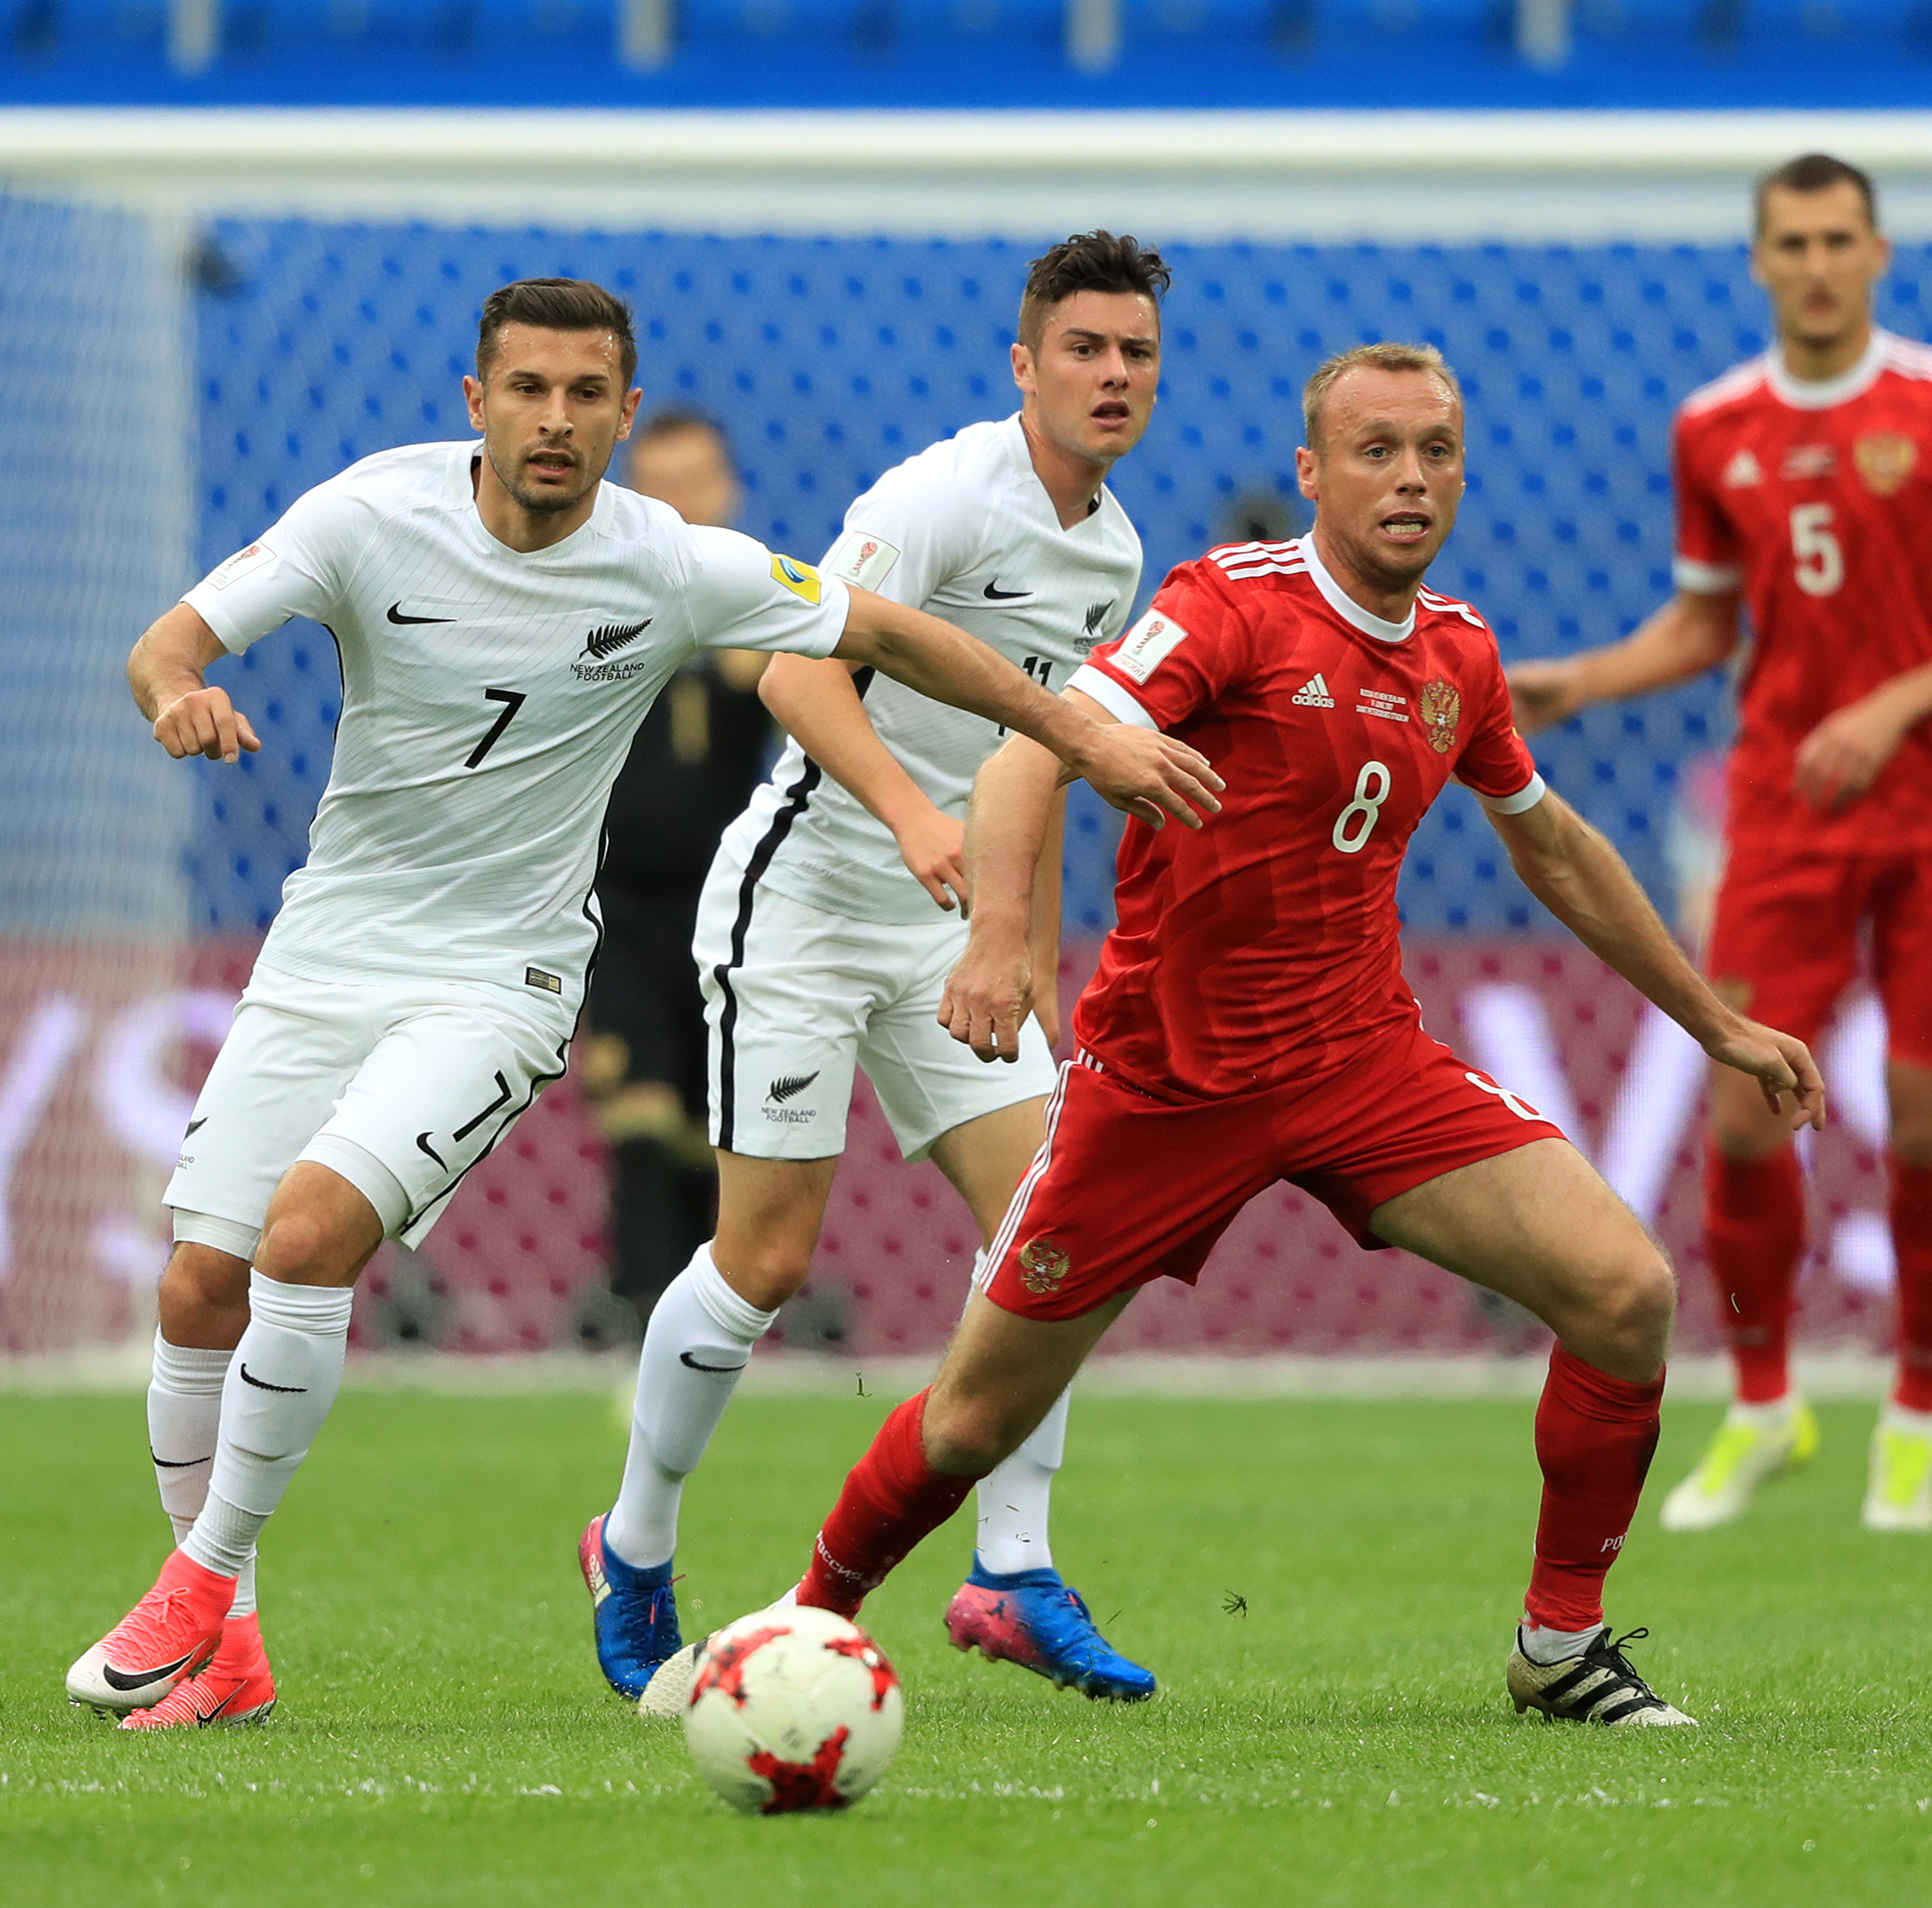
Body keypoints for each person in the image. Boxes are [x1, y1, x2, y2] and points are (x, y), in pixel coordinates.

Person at [66, 276, 1221, 1730]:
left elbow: (887, 636)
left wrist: (1066, 732)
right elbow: (164, 642)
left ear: (621, 413)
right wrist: (176, 692)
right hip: (332, 947)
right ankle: (228, 1628)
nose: (554, 420)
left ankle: (202, 1578)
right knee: (197, 1282)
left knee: (308, 1235)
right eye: (527, 390)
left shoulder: (668, 561)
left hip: (506, 974)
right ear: (473, 400)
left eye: (583, 395)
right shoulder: (367, 514)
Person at [721, 341, 1824, 1728]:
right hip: (1166, 1084)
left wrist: (1714, 1020)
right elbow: (1025, 752)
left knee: (1622, 1290)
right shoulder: (1223, 607)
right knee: (969, 1420)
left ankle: (1559, 1640)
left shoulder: (1458, 652)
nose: (1408, 477)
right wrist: (1000, 938)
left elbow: (1552, 850)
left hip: (1359, 1062)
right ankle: (805, 1613)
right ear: (1312, 473)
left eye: (1433, 450)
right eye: (1374, 450)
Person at [584, 232, 1172, 1709]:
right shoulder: (938, 496)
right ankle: (634, 1543)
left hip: (951, 919)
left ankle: (1014, 1568)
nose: (1112, 375)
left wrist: (1023, 941)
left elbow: (1040, 754)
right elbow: (793, 670)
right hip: (805, 896)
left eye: (1136, 353)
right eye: (1084, 349)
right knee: (765, 1263)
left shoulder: (1113, 554)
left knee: (1055, 1231)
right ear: (1023, 364)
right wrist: (914, 815)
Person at [1507, 153, 1932, 1536]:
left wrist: (1888, 702)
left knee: (1927, 1119)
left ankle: (1915, 1418)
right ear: (1755, 260)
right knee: (1742, 1108)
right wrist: (1581, 679)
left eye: (1836, 239)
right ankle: (1763, 1402)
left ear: (1876, 252)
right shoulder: (1713, 427)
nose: (1814, 263)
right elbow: (1705, 622)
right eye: (1789, 242)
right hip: (1787, 814)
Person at [577, 411, 774, 1342]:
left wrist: (712, 579)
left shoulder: (755, 604)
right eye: (657, 487)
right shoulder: (594, 605)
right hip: (614, 901)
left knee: (710, 1113)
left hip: (724, 904)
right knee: (637, 1098)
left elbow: (763, 678)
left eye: (695, 483)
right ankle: (639, 1306)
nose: (677, 505)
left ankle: (708, 1311)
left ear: (727, 491)